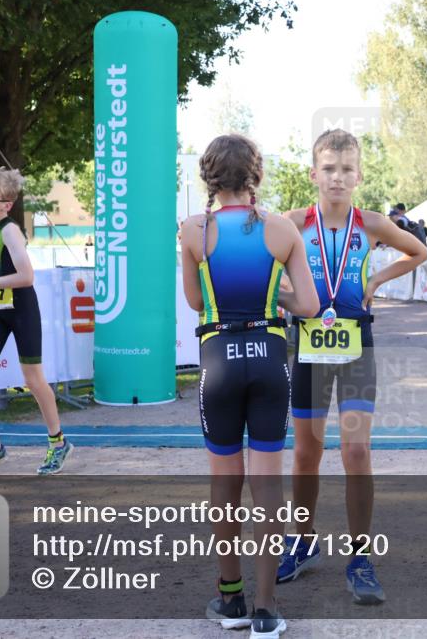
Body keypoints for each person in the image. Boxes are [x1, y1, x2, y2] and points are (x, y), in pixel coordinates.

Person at [278, 129, 427, 605]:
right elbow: (261, 266)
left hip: (356, 344)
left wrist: (377, 279)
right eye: (328, 169)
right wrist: (285, 298)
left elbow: (418, 252)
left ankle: (360, 557)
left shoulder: (373, 224)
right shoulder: (292, 223)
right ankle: (302, 542)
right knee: (305, 453)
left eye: (346, 170)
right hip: (306, 346)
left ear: (358, 175)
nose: (337, 178)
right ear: (313, 174)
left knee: (357, 453)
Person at [179, 134, 319, 635]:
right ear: (256, 176)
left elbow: (196, 302)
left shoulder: (194, 230)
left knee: (224, 482)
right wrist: (270, 288)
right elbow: (308, 305)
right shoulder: (282, 230)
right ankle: (266, 608)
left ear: (209, 178)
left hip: (217, 357)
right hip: (267, 357)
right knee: (267, 484)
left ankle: (230, 598)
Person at [0, 168, 73, 475]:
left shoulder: (10, 230)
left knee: (33, 379)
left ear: (6, 204)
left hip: (21, 309)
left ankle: (58, 442)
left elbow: (27, 277)